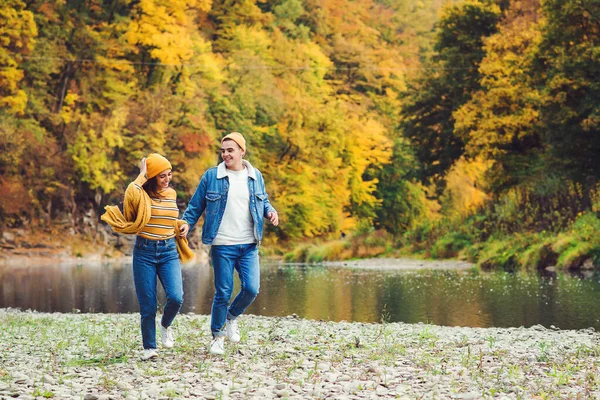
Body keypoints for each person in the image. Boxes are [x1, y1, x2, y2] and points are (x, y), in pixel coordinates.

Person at [180, 132, 279, 355]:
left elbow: (264, 202)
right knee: (223, 291)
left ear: (242, 151)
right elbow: (196, 206)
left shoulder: (255, 176)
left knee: (252, 288)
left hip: (249, 244)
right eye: (223, 150)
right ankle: (217, 336)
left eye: (230, 150)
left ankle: (231, 317)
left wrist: (271, 212)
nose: (225, 154)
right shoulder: (211, 176)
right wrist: (186, 223)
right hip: (222, 244)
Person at [101, 153, 194, 361]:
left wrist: (182, 225)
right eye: (162, 176)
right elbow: (130, 194)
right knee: (148, 304)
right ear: (152, 177)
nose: (167, 179)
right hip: (144, 253)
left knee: (176, 297)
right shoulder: (140, 194)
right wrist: (142, 174)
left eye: (169, 175)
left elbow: (169, 219)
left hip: (168, 251)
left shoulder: (171, 194)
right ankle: (149, 348)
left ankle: (165, 324)